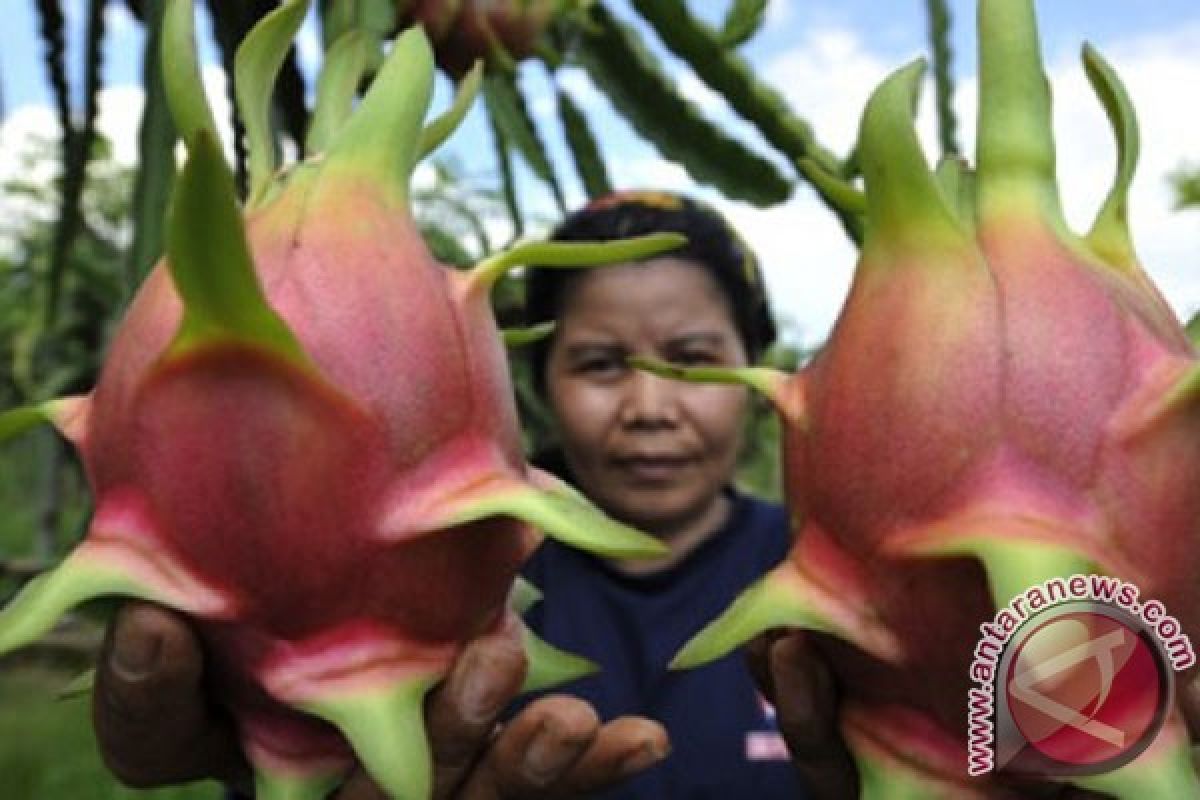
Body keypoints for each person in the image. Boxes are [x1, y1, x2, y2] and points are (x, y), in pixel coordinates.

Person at [91, 191, 856, 798]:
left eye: (691, 361)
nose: (649, 407)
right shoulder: (451, 574)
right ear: (530, 384)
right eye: (598, 364)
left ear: (760, 376)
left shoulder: (836, 585)